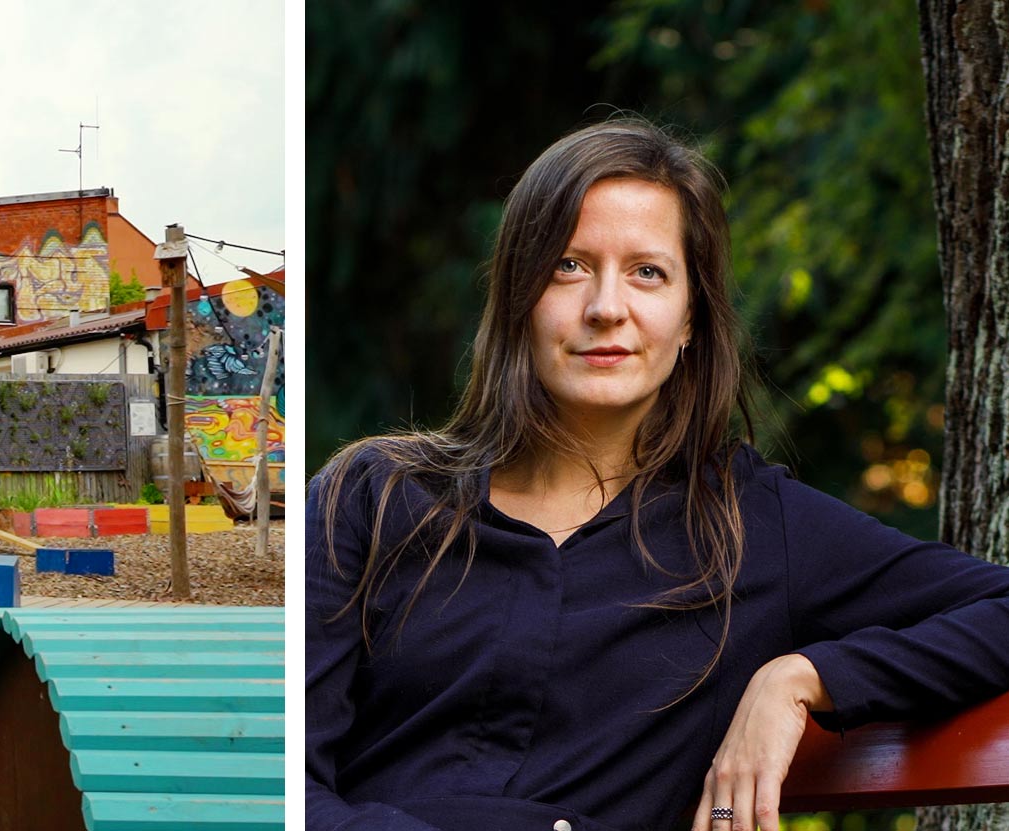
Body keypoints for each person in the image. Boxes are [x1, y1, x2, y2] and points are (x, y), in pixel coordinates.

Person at [306, 118, 1009, 831]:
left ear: (688, 319)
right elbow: (287, 782)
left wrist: (800, 677)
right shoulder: (370, 496)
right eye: (568, 265)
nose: (605, 307)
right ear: (518, 298)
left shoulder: (752, 523)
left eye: (647, 272)